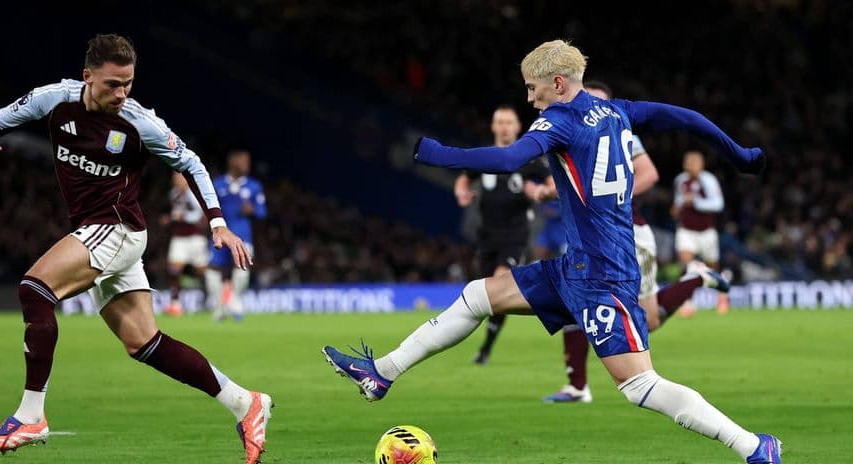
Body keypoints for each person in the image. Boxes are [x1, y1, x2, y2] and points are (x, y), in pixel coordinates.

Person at [322, 40, 779, 463]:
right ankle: (382, 372)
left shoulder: (560, 120)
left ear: (557, 84)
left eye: (532, 88)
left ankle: (754, 446)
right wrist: (738, 154)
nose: (529, 99)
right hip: (576, 266)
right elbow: (684, 117)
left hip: (603, 274)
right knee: (480, 295)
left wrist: (438, 153)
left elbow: (507, 159)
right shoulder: (618, 111)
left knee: (639, 384)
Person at [0, 34, 271, 463]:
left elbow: (190, 162)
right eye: (112, 85)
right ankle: (245, 403)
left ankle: (31, 415)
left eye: (128, 84)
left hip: (116, 228)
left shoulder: (139, 122)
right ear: (87, 77)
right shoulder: (54, 100)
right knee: (145, 344)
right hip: (97, 230)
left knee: (33, 289)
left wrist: (218, 223)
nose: (121, 94)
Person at [534, 81, 731, 404]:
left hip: (629, 234)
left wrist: (612, 200)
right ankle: (577, 386)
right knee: (574, 299)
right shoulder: (569, 128)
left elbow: (649, 174)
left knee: (647, 320)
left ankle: (696, 277)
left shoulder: (619, 129)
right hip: (592, 238)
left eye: (598, 101)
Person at [452, 105, 539, 365]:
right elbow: (463, 178)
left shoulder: (529, 158)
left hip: (515, 236)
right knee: (484, 291)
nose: (504, 127)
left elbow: (551, 182)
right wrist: (462, 192)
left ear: (517, 127)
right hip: (487, 236)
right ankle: (486, 341)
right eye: (499, 122)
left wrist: (541, 191)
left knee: (500, 284)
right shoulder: (484, 156)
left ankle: (486, 348)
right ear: (493, 127)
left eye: (508, 122)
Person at [206, 149, 266, 321]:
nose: (247, 165)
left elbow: (262, 212)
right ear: (233, 162)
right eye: (243, 161)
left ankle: (235, 301)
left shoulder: (254, 186)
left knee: (242, 267)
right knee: (213, 269)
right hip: (220, 234)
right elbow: (208, 209)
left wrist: (252, 209)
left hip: (243, 235)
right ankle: (219, 307)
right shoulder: (217, 184)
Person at [673, 149, 729, 313]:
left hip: (706, 231)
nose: (691, 165)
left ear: (702, 164)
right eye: (689, 162)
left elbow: (718, 204)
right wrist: (677, 207)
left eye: (695, 162)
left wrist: (696, 202)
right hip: (686, 230)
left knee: (712, 266)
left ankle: (722, 294)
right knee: (685, 263)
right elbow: (679, 200)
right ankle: (687, 302)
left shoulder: (709, 180)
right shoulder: (680, 181)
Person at [163, 172, 210, 316]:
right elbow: (175, 213)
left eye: (179, 178)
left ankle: (207, 299)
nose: (177, 181)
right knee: (174, 269)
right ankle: (175, 303)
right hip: (179, 237)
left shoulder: (194, 194)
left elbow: (202, 214)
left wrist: (185, 217)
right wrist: (170, 219)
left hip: (195, 237)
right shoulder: (173, 194)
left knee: (201, 271)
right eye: (174, 178)